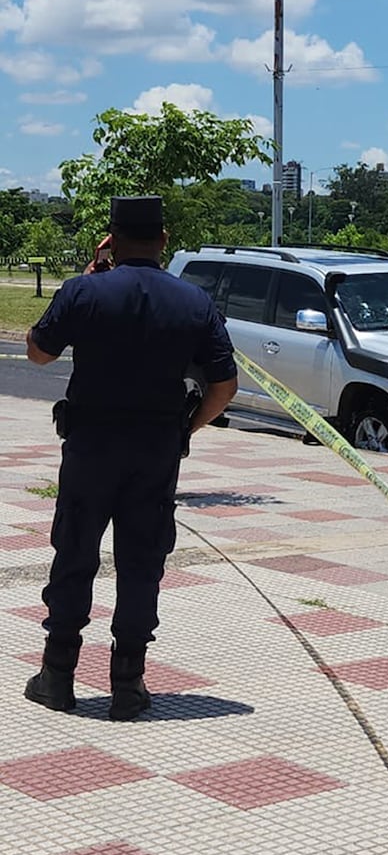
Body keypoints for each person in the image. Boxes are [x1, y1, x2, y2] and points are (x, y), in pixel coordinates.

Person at [23, 196, 238, 721]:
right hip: (155, 450)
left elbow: (37, 351)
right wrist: (187, 426)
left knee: (74, 553)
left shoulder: (83, 291)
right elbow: (224, 385)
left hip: (90, 446)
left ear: (110, 241)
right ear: (164, 240)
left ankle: (57, 676)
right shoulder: (193, 302)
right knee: (142, 564)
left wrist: (89, 275)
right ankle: (128, 684)